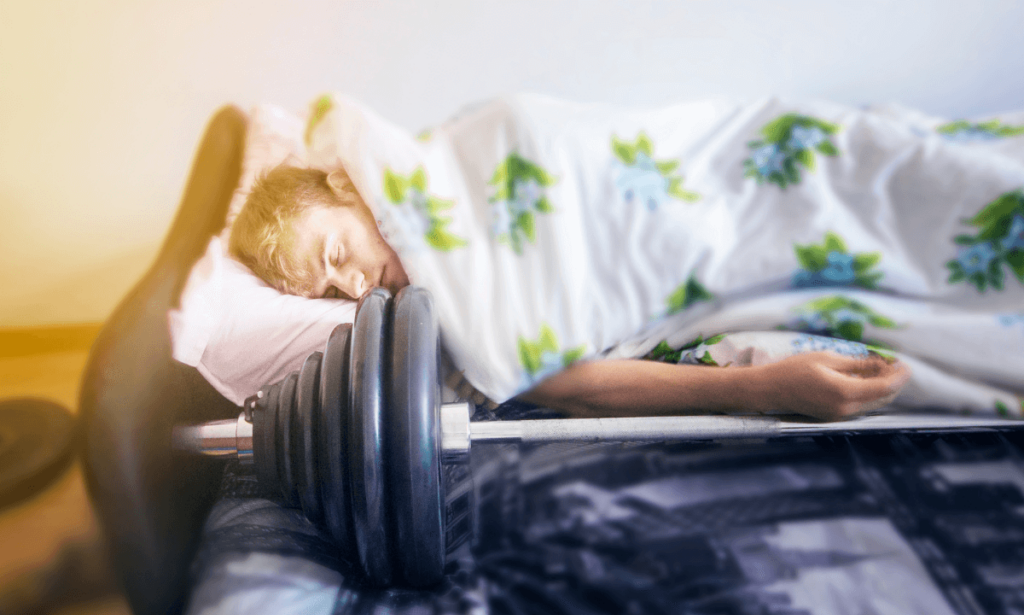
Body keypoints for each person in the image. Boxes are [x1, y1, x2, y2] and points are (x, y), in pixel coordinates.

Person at [229, 164, 910, 422]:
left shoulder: (450, 190)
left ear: (349, 189)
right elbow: (577, 386)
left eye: (338, 253)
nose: (352, 285)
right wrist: (762, 390)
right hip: (679, 337)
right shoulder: (430, 316)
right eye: (330, 288)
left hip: (700, 257)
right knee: (892, 371)